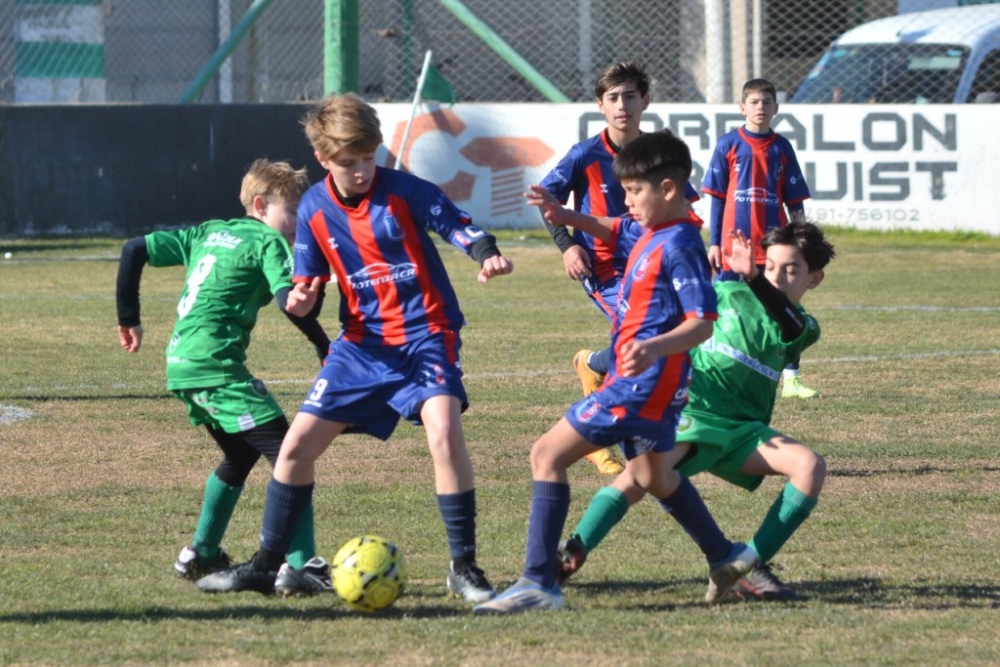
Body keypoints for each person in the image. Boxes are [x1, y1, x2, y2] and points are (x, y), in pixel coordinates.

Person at [196, 94, 514, 603]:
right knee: (296, 448)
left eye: (369, 158)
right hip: (362, 347)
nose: (362, 170)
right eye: (349, 162)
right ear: (323, 159)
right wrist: (300, 299)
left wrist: (486, 253)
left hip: (426, 335)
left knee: (444, 432)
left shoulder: (405, 191)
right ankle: (264, 566)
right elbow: (306, 283)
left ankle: (464, 566)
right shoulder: (316, 209)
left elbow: (457, 224)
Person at [473, 131, 757, 615]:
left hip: (641, 386)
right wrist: (566, 217)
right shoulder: (651, 229)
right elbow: (611, 228)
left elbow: (702, 323)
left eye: (633, 192)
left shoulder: (682, 244)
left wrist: (653, 347)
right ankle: (725, 555)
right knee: (654, 476)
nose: (625, 202)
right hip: (650, 388)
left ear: (668, 189)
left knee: (546, 454)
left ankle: (538, 583)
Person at [556, 221, 835, 601]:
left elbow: (783, 316)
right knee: (641, 476)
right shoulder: (725, 291)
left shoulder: (803, 327)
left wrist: (754, 276)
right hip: (695, 412)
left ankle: (745, 567)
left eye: (791, 270)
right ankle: (573, 550)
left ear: (814, 279)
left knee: (810, 466)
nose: (777, 277)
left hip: (744, 431)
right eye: (770, 266)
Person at [115, 158, 334, 595]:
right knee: (293, 453)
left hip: (181, 364)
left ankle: (202, 552)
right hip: (215, 368)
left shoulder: (207, 231)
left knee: (239, 456)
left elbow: (133, 249)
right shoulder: (269, 243)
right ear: (260, 206)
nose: (296, 223)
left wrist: (129, 317)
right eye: (291, 212)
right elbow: (286, 301)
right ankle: (301, 564)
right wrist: (325, 346)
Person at [537, 59, 700, 476]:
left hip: (654, 264)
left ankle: (593, 367)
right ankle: (601, 436)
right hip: (606, 271)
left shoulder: (658, 154)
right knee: (650, 338)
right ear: (600, 105)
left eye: (630, 96)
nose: (622, 105)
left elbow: (684, 204)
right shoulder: (584, 154)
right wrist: (568, 247)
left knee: (658, 340)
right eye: (613, 98)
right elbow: (551, 207)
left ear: (646, 100)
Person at [701, 78, 817, 399]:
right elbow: (717, 197)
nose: (760, 108)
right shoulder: (728, 144)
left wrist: (800, 240)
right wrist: (714, 242)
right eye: (754, 102)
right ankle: (723, 369)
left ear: (776, 109)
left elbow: (795, 201)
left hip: (773, 249)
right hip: (733, 247)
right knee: (727, 310)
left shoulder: (782, 148)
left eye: (767, 102)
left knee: (783, 308)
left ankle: (791, 379)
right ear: (742, 108)